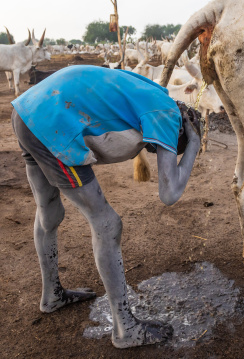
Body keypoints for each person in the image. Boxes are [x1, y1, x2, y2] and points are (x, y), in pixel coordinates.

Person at [10, 65, 201, 348]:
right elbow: (169, 193)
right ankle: (125, 329)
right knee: (107, 223)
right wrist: (195, 143)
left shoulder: (155, 94)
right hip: (54, 124)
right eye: (175, 147)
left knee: (49, 211)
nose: (164, 150)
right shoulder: (167, 115)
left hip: (28, 111)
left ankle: (51, 296)